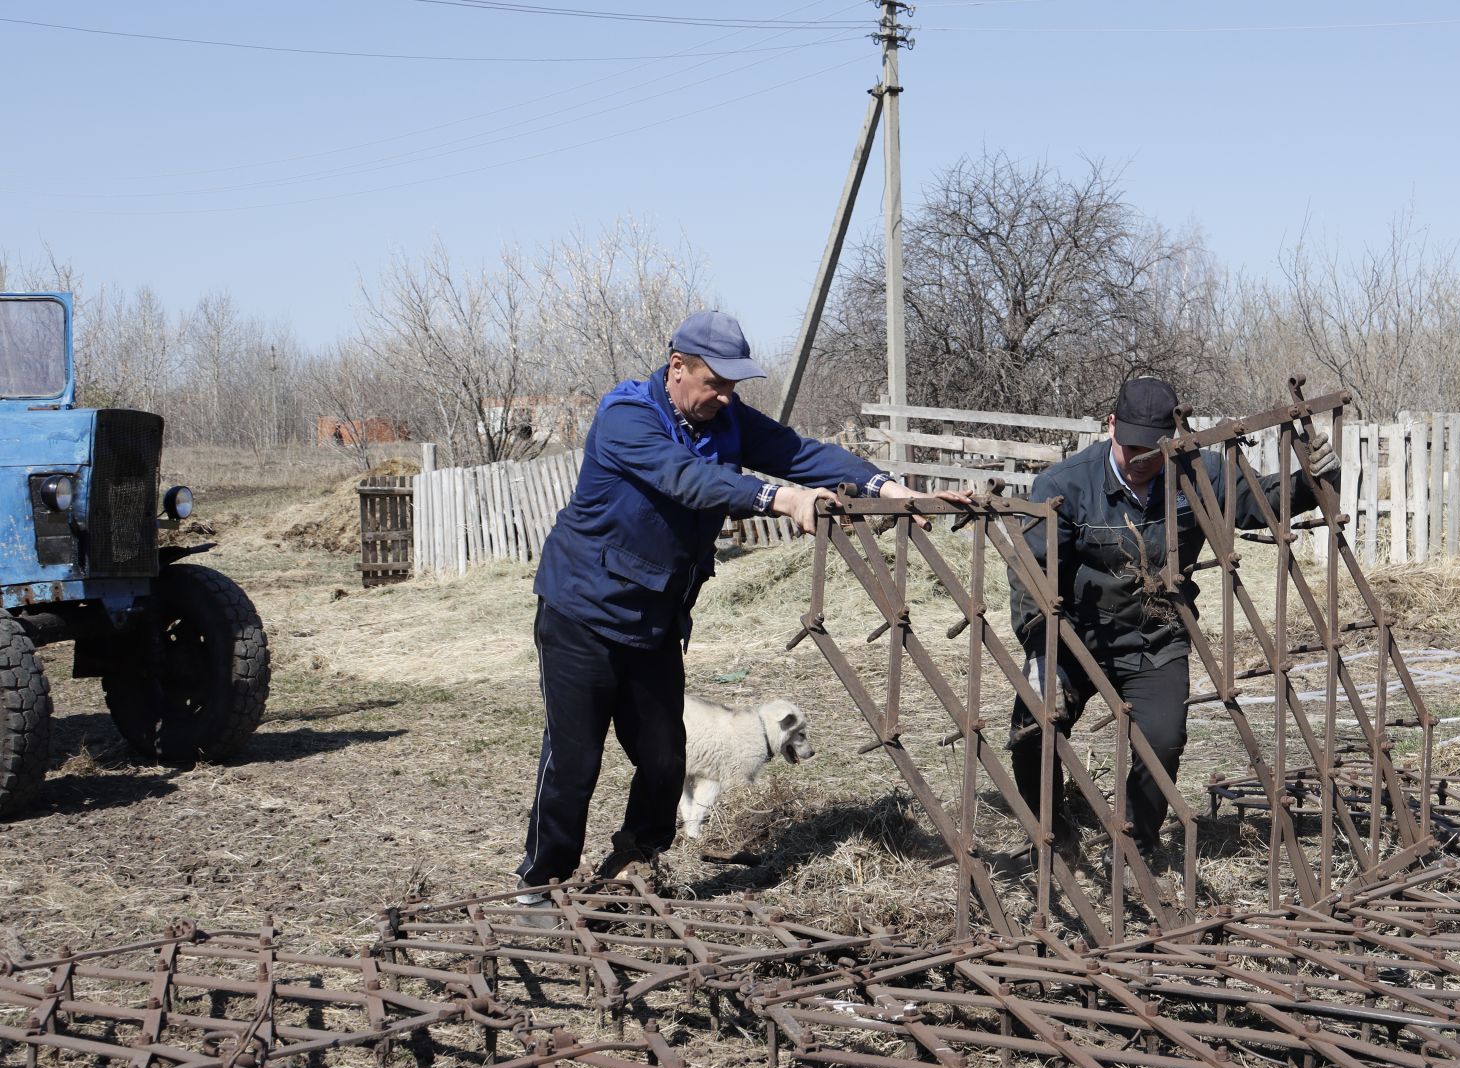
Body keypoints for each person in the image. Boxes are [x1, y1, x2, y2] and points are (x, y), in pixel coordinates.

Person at [517, 309, 955, 901]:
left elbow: (797, 451)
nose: (724, 397)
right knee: (574, 761)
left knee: (666, 756)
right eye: (713, 383)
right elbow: (688, 479)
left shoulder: (724, 418)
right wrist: (777, 497)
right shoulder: (625, 417)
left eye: (732, 386)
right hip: (582, 613)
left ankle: (634, 857)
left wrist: (885, 486)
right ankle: (542, 882)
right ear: (677, 367)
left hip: (653, 620)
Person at [1006, 376, 1338, 858]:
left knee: (1161, 741)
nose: (1141, 464)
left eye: (1153, 452)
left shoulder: (1195, 472)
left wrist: (1311, 480)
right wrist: (1043, 653)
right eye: (1132, 449)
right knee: (1032, 730)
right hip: (1076, 637)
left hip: (1154, 635)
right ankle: (1054, 836)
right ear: (1111, 425)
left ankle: (1136, 844)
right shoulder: (1063, 485)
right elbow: (1031, 572)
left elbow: (1258, 502)